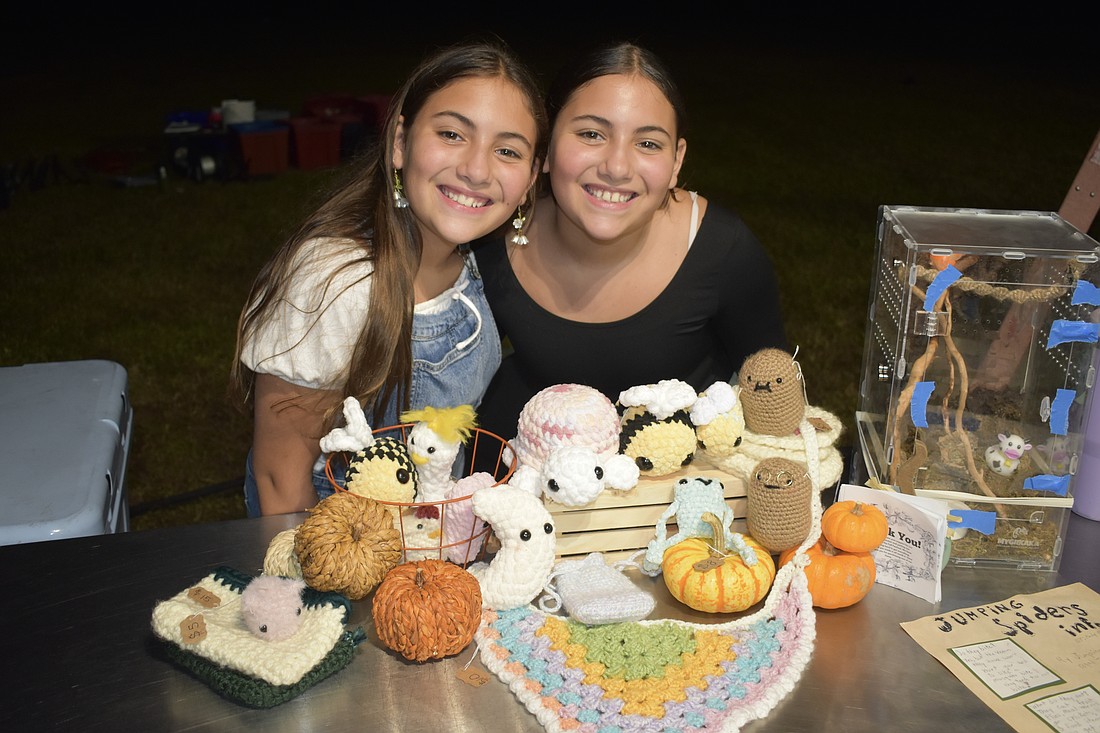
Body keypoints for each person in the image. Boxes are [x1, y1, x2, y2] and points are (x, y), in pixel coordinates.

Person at [231, 40, 547, 516]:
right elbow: (280, 478)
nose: (477, 169)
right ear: (400, 143)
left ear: (530, 179)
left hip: (432, 532)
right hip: (335, 543)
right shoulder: (335, 279)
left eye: (507, 150)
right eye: (452, 135)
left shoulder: (480, 262)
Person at [473, 42, 787, 441]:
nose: (617, 167)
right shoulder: (496, 237)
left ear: (676, 162)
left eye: (648, 143)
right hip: (530, 473)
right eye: (591, 134)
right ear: (546, 145)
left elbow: (775, 395)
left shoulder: (722, 249)